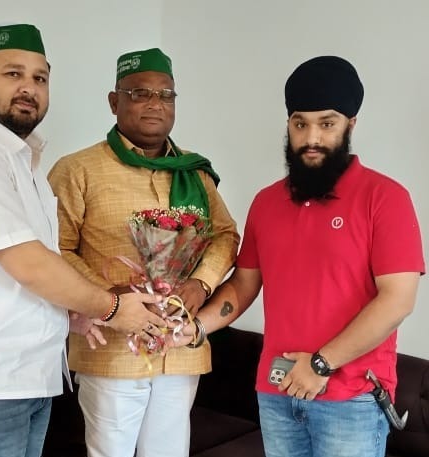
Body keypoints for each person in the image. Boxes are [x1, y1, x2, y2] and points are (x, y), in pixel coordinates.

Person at [0, 25, 165, 457]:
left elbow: (23, 272)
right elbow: (28, 263)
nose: (28, 88)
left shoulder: (20, 158)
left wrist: (68, 314)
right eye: (13, 74)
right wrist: (110, 307)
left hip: (27, 377)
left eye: (40, 78)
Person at [175, 56, 425, 457]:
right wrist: (197, 328)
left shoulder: (385, 198)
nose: (312, 137)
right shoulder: (266, 203)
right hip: (276, 393)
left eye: (327, 124)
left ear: (351, 125)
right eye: (300, 124)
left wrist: (321, 364)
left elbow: (397, 300)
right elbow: (243, 284)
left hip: (351, 401)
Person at [47, 47, 239, 457]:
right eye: (140, 93)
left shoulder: (194, 173)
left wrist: (201, 284)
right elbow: (54, 249)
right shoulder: (77, 170)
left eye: (166, 95)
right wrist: (109, 295)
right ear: (114, 101)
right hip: (111, 348)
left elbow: (225, 235)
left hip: (180, 345)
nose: (155, 103)